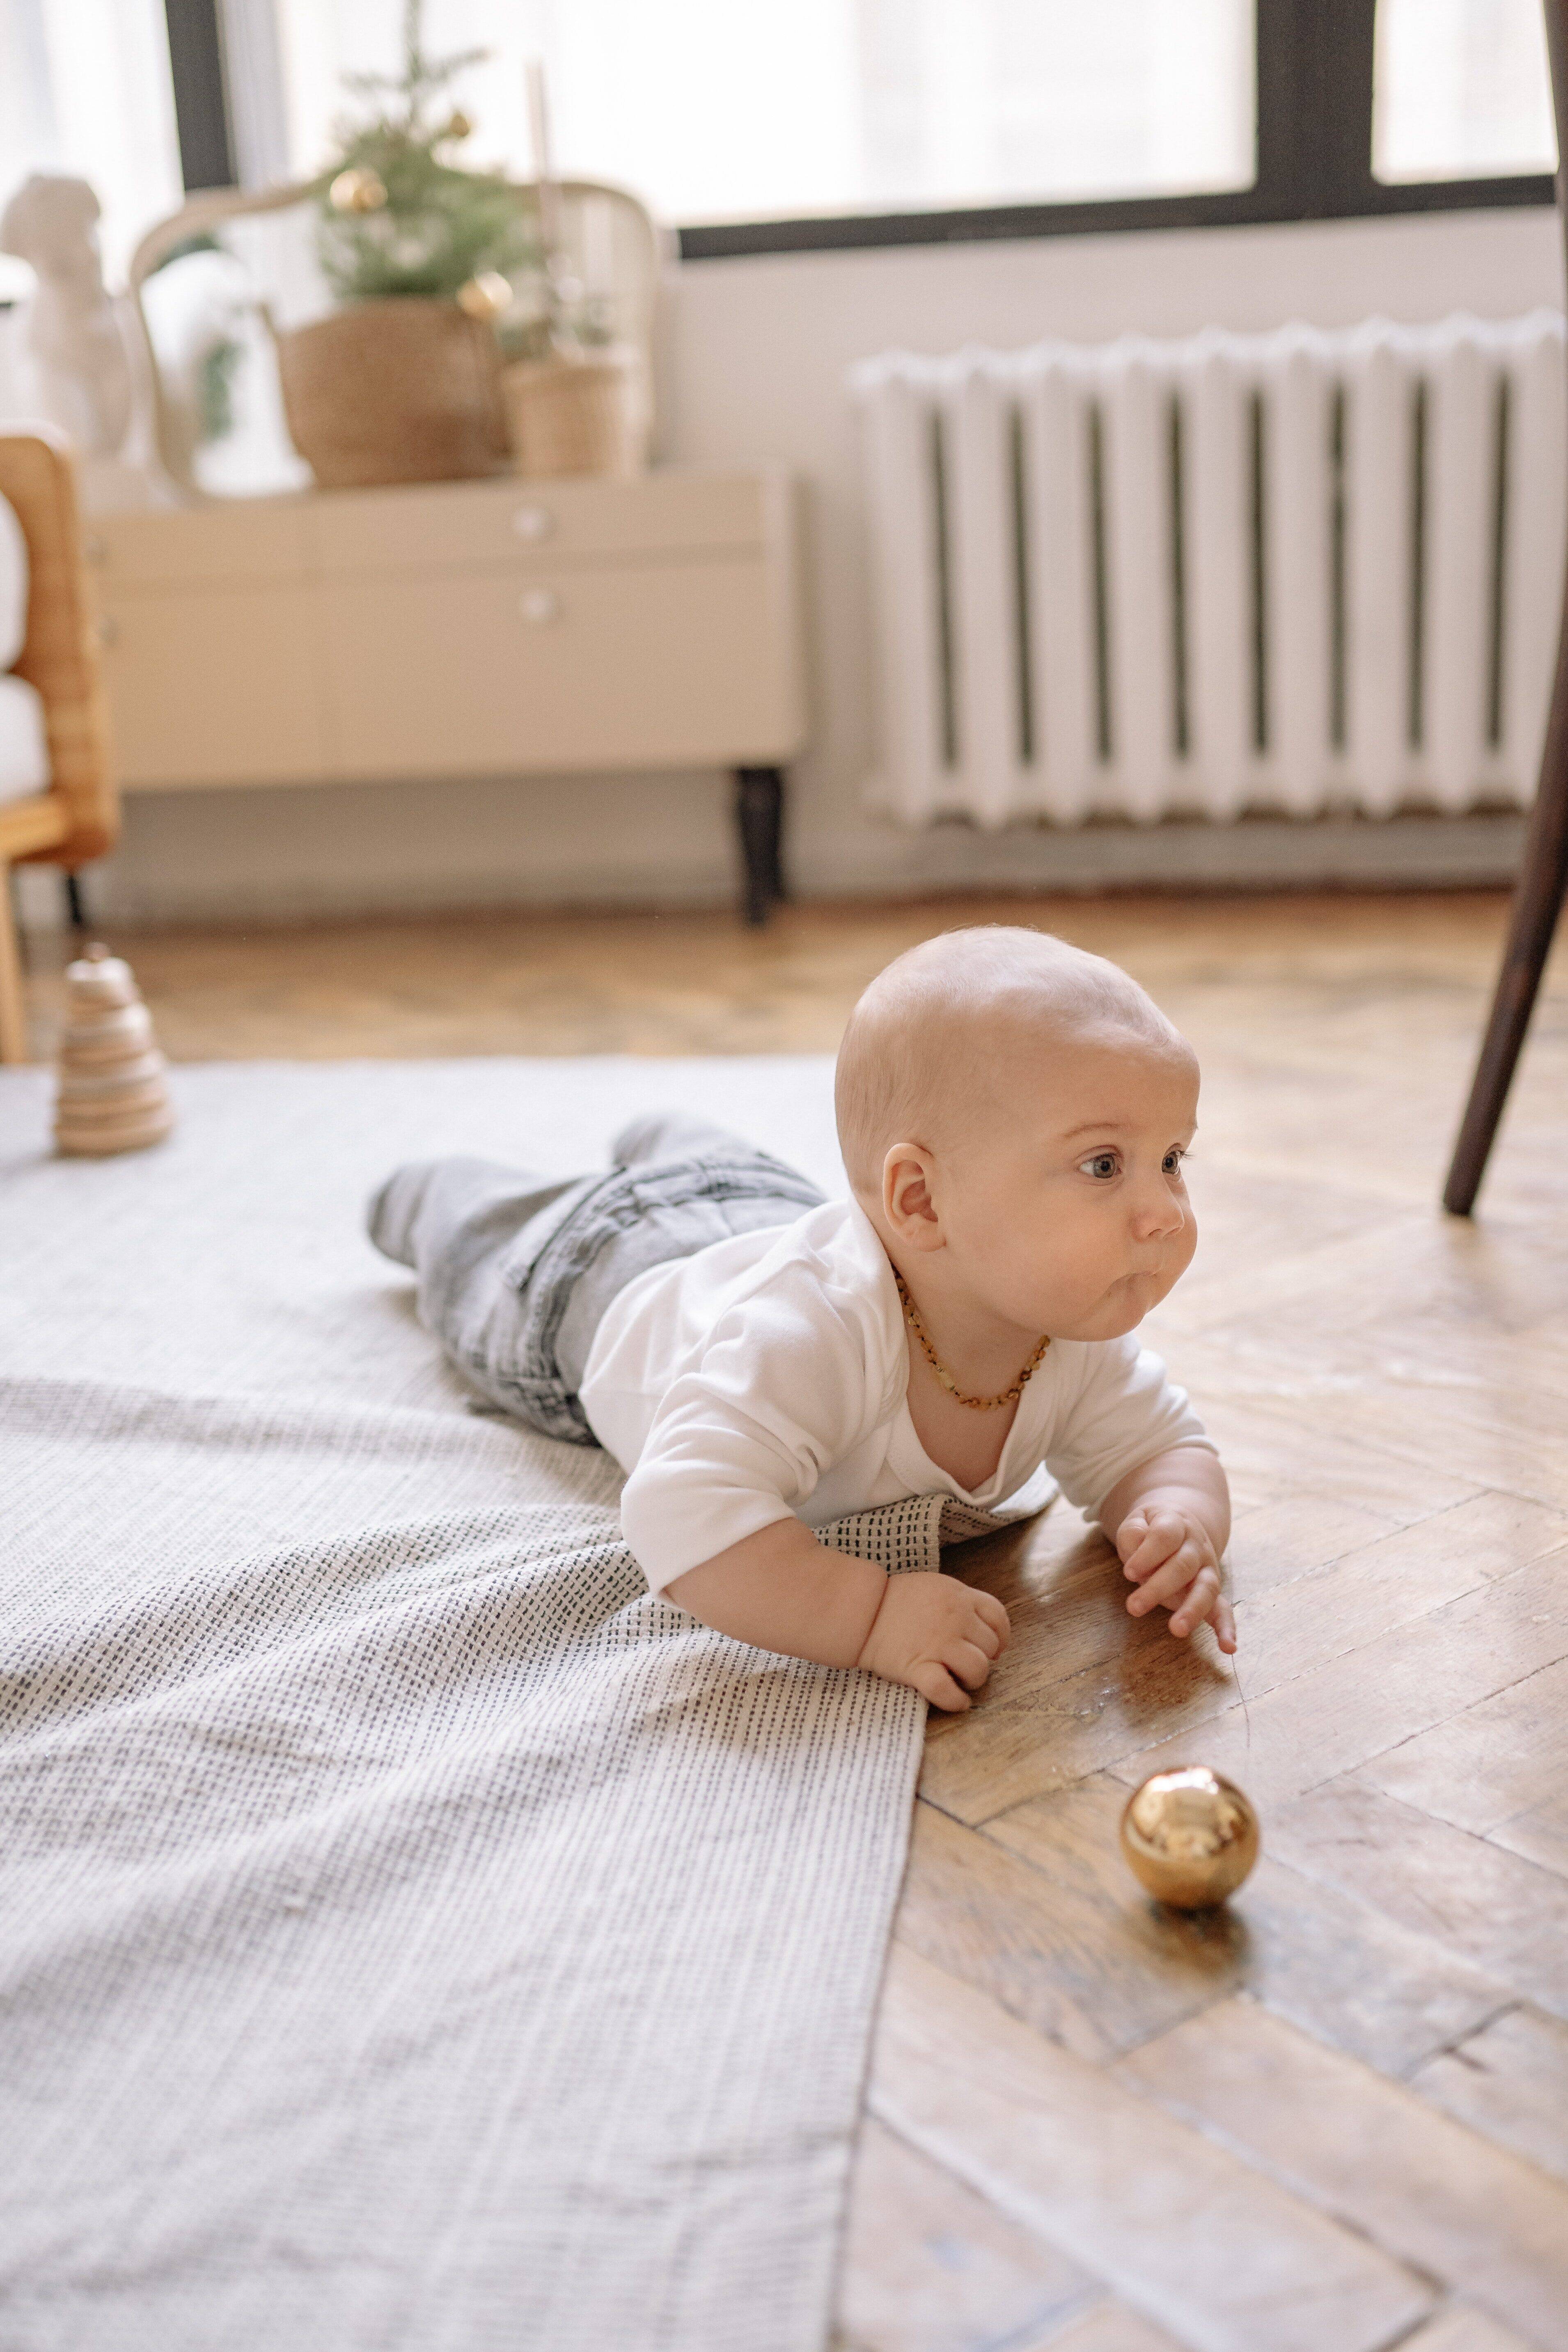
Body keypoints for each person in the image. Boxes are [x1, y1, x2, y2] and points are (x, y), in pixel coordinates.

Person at [368, 926, 1232, 1710]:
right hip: (603, 1276)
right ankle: (437, 1195)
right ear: (921, 1202)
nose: (1161, 1211)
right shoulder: (808, 1340)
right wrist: (871, 1618)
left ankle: (675, 1141)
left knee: (738, 1185)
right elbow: (678, 1510)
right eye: (1102, 1164)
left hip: (767, 1217)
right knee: (484, 1258)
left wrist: (1176, 1519)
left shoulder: (1070, 1334)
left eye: (1170, 1159)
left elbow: (1159, 1449)